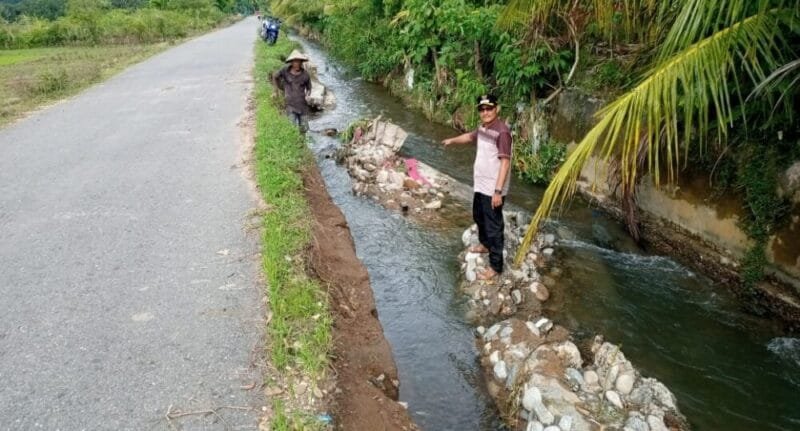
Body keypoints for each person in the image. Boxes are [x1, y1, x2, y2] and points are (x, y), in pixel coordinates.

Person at [442, 94, 512, 280]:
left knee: (494, 226)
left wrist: (498, 191)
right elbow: (469, 137)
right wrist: (452, 140)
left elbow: (505, 163)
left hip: (493, 189)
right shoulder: (483, 128)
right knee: (478, 216)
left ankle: (496, 267)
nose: (486, 112)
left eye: (489, 108)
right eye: (482, 109)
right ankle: (485, 245)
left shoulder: (502, 132)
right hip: (480, 185)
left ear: (497, 108)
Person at [273, 50, 312, 132]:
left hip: (302, 105)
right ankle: (295, 143)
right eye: (295, 61)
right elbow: (275, 77)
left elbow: (309, 88)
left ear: (301, 62)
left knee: (304, 129)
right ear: (291, 62)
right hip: (290, 105)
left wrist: (308, 95)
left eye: (299, 61)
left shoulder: (305, 74)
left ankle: (302, 144)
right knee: (292, 129)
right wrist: (275, 91)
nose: (297, 63)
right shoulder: (285, 71)